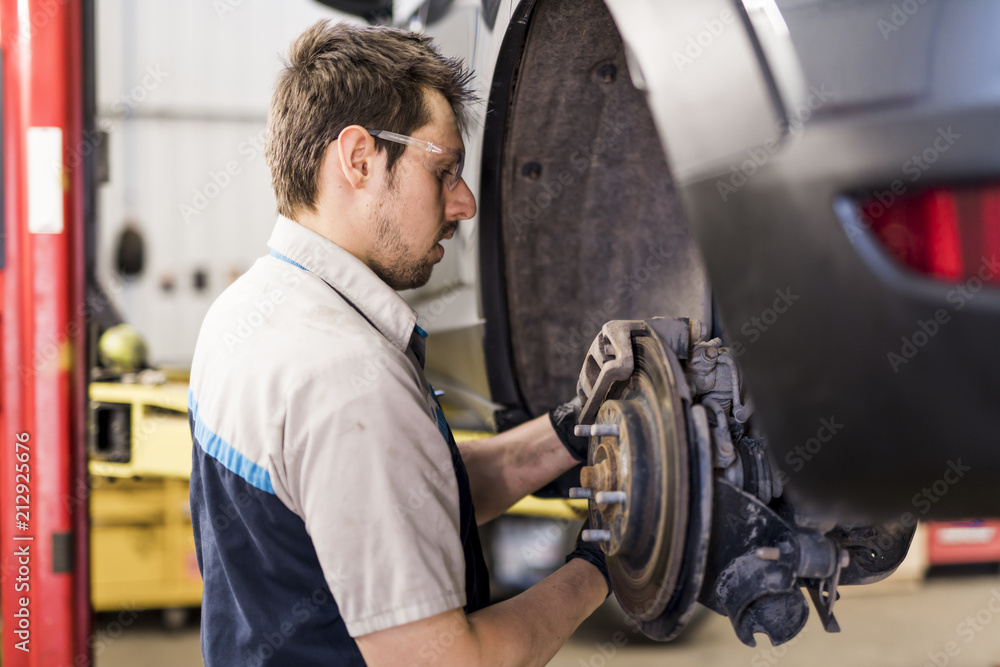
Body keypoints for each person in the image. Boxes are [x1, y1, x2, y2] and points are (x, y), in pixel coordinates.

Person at [188, 20, 610, 667]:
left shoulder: (244, 313)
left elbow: (400, 494)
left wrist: (568, 432)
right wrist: (602, 564)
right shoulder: (346, 377)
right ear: (359, 158)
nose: (464, 204)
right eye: (444, 170)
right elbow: (452, 662)